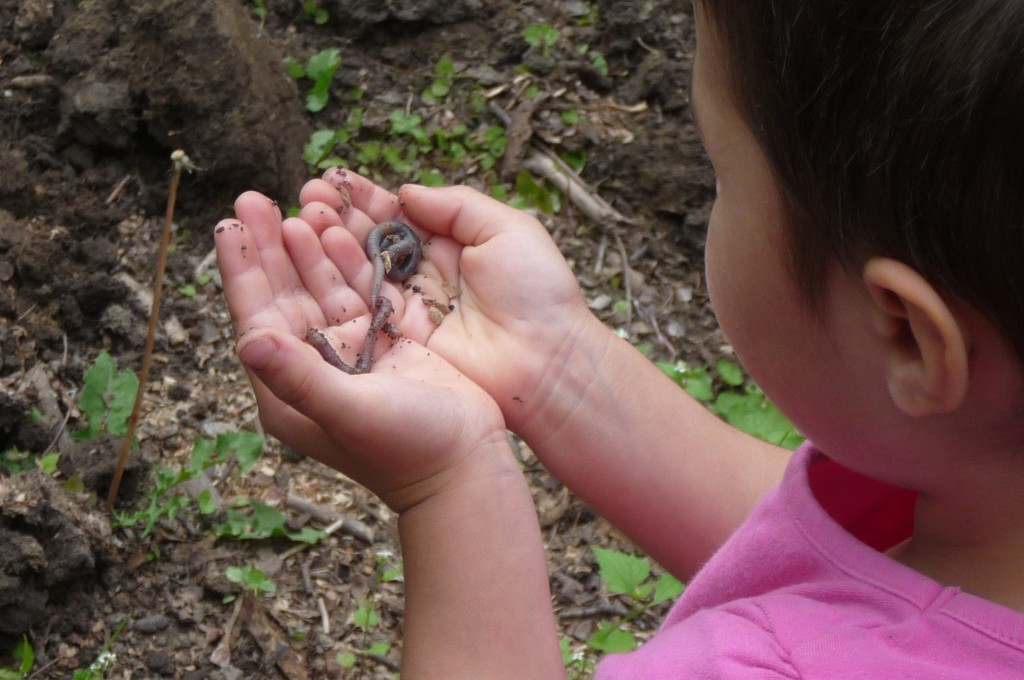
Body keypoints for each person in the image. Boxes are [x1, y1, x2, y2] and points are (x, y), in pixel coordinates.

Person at [215, 0, 1024, 676]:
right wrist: (562, 369)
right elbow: (839, 555)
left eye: (723, 176)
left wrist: (450, 485)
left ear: (909, 339)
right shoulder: (971, 502)